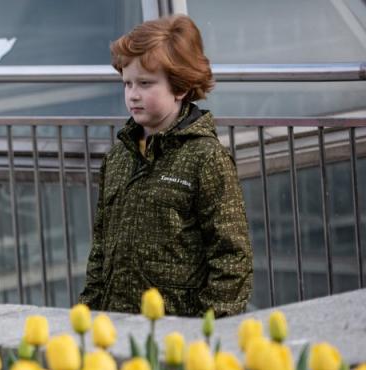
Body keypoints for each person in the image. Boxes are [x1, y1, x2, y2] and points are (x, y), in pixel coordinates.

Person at [79, 15, 253, 317]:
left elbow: (231, 256)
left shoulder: (206, 158)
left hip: (179, 326)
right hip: (117, 323)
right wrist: (89, 312)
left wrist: (207, 327)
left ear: (180, 87)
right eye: (128, 83)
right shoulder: (118, 157)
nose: (133, 94)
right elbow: (101, 250)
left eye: (145, 83)